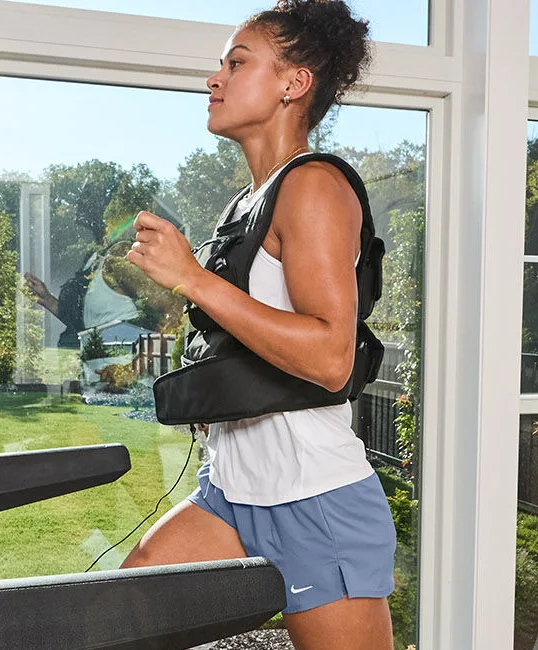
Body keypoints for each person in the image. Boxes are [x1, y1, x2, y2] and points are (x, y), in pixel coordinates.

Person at [121, 2, 395, 648]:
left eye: (237, 62)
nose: (214, 79)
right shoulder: (247, 202)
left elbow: (332, 356)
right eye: (220, 65)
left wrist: (192, 278)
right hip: (230, 493)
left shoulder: (315, 188)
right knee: (122, 610)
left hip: (315, 499)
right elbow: (250, 333)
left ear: (293, 83)